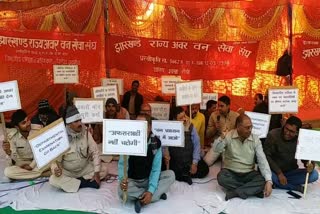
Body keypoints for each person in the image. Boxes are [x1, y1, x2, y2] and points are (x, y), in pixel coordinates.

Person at [118, 114, 175, 213]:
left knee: (171, 175)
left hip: (148, 179)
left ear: (149, 127)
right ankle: (154, 196)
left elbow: (156, 169)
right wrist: (123, 180)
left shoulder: (156, 143)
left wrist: (151, 189)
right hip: (133, 180)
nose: (139, 128)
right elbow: (122, 164)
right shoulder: (128, 140)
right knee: (120, 191)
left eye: (142, 125)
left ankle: (142, 198)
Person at [214, 114, 273, 200]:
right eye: (247, 127)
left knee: (262, 180)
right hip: (231, 172)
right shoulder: (228, 136)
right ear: (238, 127)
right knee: (221, 178)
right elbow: (216, 149)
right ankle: (252, 190)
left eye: (251, 127)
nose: (250, 130)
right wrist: (222, 137)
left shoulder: (255, 139)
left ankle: (236, 192)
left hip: (248, 173)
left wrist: (269, 181)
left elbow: (262, 160)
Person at [49, 106, 106, 193]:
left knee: (104, 170)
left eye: (80, 120)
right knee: (53, 179)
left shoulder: (86, 132)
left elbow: (95, 152)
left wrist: (96, 173)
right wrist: (56, 169)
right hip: (68, 172)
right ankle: (84, 183)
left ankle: (74, 183)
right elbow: (55, 161)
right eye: (76, 121)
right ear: (69, 124)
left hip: (84, 169)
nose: (80, 123)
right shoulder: (60, 137)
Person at [263, 116, 318, 192]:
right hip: (274, 171)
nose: (287, 133)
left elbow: (305, 159)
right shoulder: (273, 135)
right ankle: (293, 187)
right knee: (268, 175)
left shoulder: (300, 138)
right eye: (286, 129)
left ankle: (278, 184)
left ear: (297, 133)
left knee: (314, 175)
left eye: (291, 131)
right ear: (284, 125)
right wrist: (279, 173)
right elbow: (266, 156)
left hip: (290, 172)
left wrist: (310, 165)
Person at [168, 107, 209, 185]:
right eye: (181, 118)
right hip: (176, 161)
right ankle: (184, 175)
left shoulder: (191, 126)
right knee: (164, 169)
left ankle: (182, 174)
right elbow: (165, 145)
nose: (184, 119)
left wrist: (194, 163)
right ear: (174, 119)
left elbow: (197, 145)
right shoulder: (169, 127)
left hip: (189, 160)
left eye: (184, 116)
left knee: (205, 169)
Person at [3, 110, 49, 180]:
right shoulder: (12, 137)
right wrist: (9, 152)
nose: (28, 123)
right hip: (23, 164)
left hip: (38, 162)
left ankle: (27, 175)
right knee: (8, 172)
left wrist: (31, 166)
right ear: (17, 127)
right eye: (24, 123)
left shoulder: (37, 130)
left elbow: (41, 152)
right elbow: (13, 160)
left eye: (28, 120)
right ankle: (42, 174)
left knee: (52, 162)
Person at [204, 95, 239, 166]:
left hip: (230, 145)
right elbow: (207, 135)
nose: (219, 108)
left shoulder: (236, 116)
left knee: (226, 165)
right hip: (217, 143)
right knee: (206, 162)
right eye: (218, 106)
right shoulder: (214, 115)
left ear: (228, 106)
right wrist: (214, 128)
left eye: (222, 106)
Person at [93, 98, 129, 163]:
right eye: (109, 106)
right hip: (105, 145)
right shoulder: (101, 119)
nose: (111, 109)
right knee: (96, 150)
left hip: (118, 145)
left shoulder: (120, 119)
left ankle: (111, 157)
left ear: (116, 108)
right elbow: (96, 136)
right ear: (106, 108)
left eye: (113, 106)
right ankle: (111, 157)